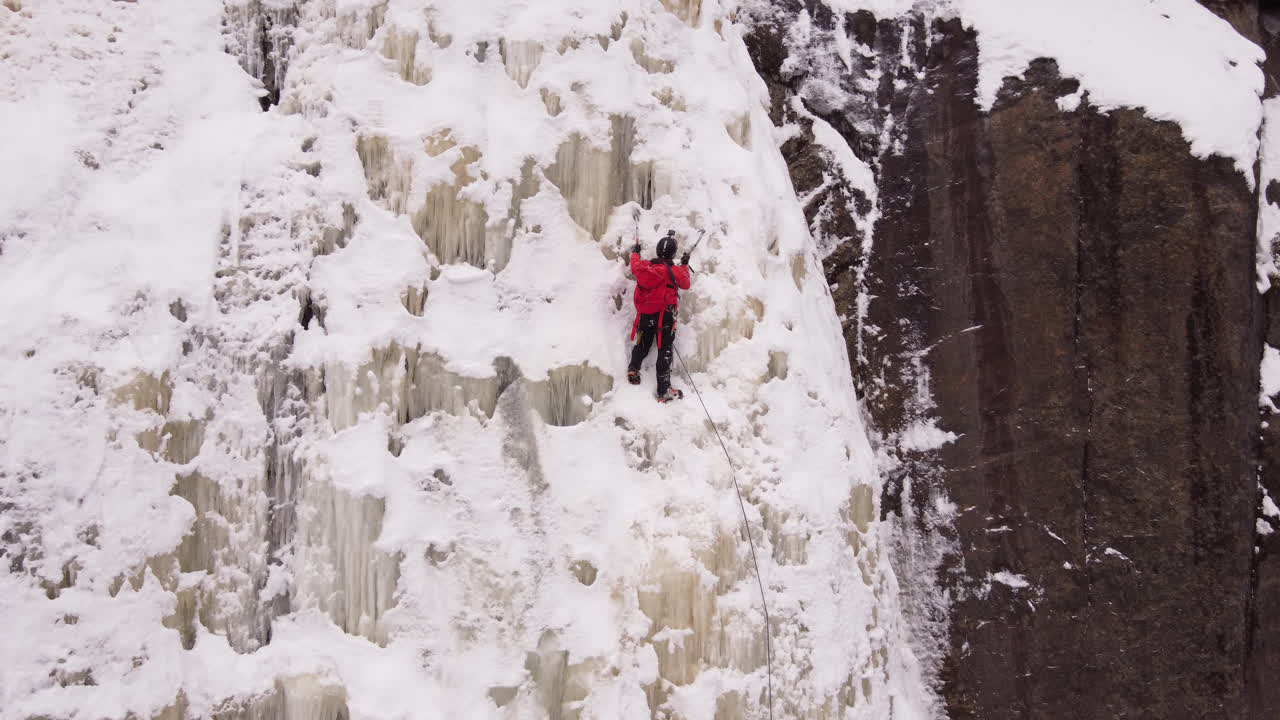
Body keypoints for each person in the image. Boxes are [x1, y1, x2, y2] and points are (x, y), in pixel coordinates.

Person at [627, 230, 692, 402]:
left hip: (645, 314)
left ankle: (633, 368)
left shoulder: (644, 267)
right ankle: (663, 391)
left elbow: (634, 265)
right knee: (665, 350)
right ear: (673, 254)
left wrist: (635, 251)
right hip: (664, 317)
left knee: (642, 342)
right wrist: (684, 264)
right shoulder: (675, 271)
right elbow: (685, 283)